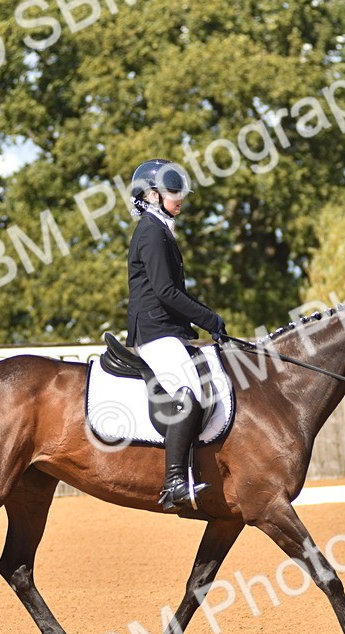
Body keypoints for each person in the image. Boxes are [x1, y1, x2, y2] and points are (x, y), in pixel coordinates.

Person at [125, 159, 226, 511]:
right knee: (191, 392)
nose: (180, 197)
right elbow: (166, 292)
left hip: (166, 329)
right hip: (154, 331)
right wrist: (210, 319)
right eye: (173, 191)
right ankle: (173, 483)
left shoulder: (161, 228)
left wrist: (203, 321)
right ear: (152, 196)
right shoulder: (152, 231)